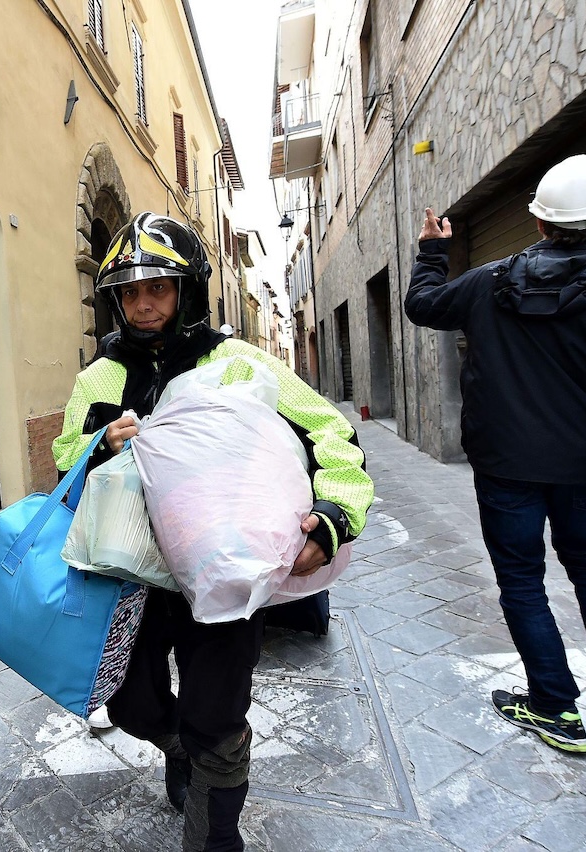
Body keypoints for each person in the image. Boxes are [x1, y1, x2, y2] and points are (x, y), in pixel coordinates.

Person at [52, 213, 373, 851]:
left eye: (158, 288)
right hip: (129, 580)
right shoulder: (97, 379)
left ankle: (215, 833)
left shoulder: (239, 363)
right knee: (129, 705)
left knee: (217, 718)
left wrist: (336, 514)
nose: (143, 304)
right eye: (129, 292)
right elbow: (65, 461)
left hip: (223, 571)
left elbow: (331, 433)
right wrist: (96, 447)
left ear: (188, 289)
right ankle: (181, 749)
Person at [405, 154, 586, 755]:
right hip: (583, 464)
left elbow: (423, 305)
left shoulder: (486, 282)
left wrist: (433, 251)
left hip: (503, 464)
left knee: (521, 578)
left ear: (539, 222)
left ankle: (555, 708)